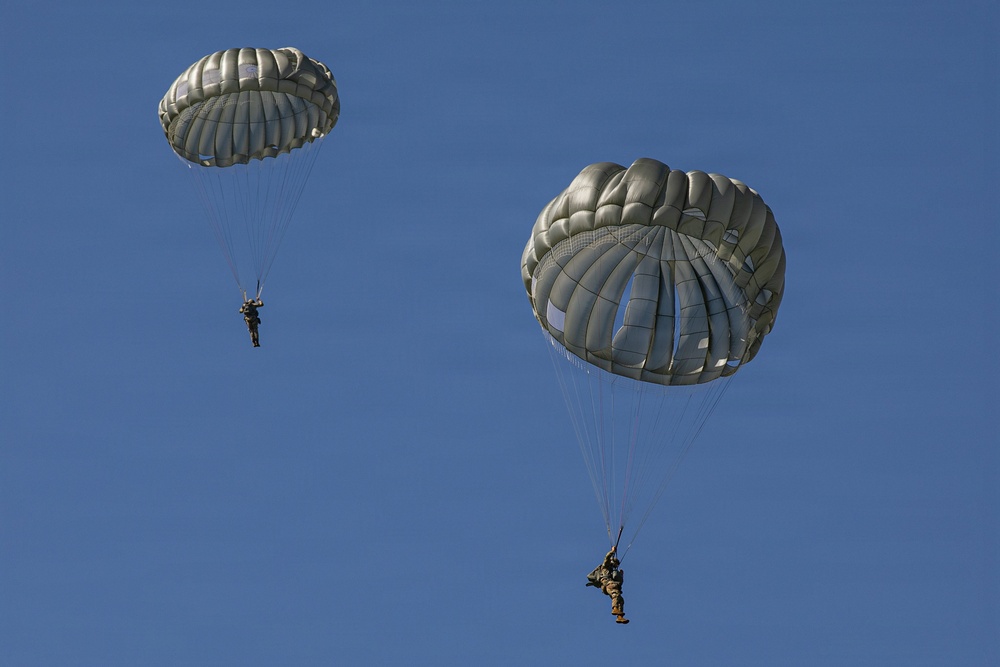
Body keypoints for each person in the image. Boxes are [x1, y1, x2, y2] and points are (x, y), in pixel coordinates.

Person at [586, 545, 628, 624]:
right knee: (615, 594)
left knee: (621, 600)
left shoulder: (613, 572)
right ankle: (614, 608)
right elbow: (607, 558)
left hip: (611, 585)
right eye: (615, 563)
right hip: (608, 584)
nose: (616, 565)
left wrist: (621, 576)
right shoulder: (606, 567)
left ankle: (620, 616)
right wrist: (612, 551)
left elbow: (619, 583)